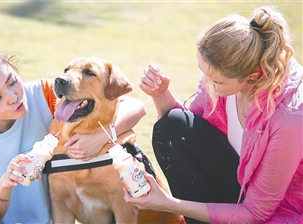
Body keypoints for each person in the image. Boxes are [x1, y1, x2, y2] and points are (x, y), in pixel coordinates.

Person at [0, 36, 146, 224]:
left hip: (44, 216)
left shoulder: (43, 95)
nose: (13, 97)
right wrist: (6, 182)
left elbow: (135, 106)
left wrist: (100, 136)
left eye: (12, 82)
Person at [124, 5, 302, 223]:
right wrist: (161, 94)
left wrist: (166, 203)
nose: (208, 85)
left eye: (217, 81)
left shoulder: (289, 118)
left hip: (274, 212)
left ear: (252, 77)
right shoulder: (227, 73)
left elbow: (256, 214)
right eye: (204, 73)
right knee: (172, 126)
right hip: (238, 185)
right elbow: (184, 134)